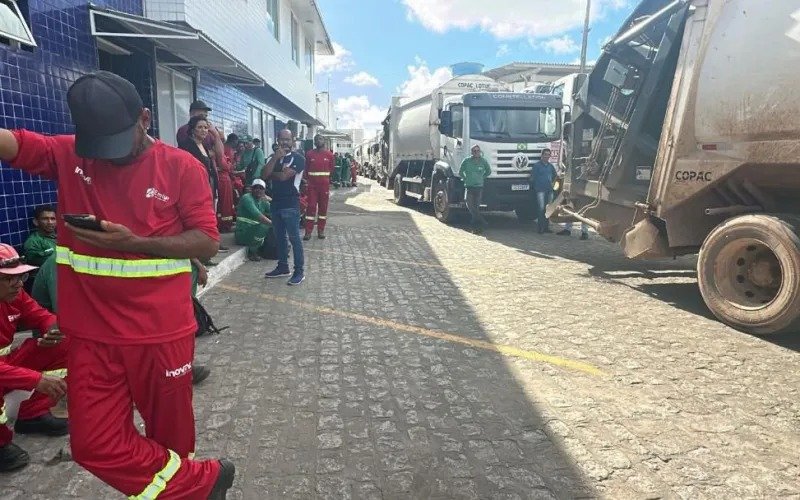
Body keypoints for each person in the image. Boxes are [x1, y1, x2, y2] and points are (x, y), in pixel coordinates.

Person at [0, 71, 234, 498]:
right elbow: (13, 144)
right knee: (93, 445)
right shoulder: (69, 154)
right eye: (98, 145)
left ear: (145, 119)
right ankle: (201, 485)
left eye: (116, 142)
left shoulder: (181, 167)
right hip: (91, 337)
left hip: (160, 335)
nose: (106, 157)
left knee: (172, 442)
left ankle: (182, 492)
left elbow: (208, 239)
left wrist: (136, 243)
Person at [30, 254, 212, 384]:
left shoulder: (99, 257)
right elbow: (64, 313)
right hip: (56, 333)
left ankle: (172, 368)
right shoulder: (60, 262)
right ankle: (153, 374)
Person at [0, 244, 68, 473]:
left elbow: (43, 315)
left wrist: (53, 331)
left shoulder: (16, 296)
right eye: (10, 278)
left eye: (21, 276)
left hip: (7, 366)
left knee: (68, 345)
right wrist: (36, 379)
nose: (19, 283)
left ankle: (32, 415)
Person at [262, 129, 305, 285]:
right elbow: (263, 174)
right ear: (277, 140)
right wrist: (275, 159)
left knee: (294, 239)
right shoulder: (274, 158)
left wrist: (273, 173)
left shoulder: (298, 159)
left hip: (291, 204)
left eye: (288, 139)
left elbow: (283, 176)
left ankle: (299, 271)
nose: (285, 142)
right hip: (276, 203)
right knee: (280, 238)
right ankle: (282, 267)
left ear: (293, 141)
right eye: (282, 139)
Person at [179, 116, 219, 209]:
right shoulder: (185, 146)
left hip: (210, 188)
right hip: (195, 190)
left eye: (205, 128)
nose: (204, 130)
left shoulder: (204, 146)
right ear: (192, 129)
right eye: (200, 127)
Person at [303, 134, 335, 240]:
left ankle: (321, 230)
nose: (317, 141)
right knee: (310, 208)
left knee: (323, 209)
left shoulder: (329, 155)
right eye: (316, 139)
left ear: (324, 141)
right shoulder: (309, 154)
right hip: (312, 187)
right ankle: (308, 231)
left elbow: (332, 169)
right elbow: (306, 169)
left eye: (320, 139)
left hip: (324, 187)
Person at [234, 179, 272, 261]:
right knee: (264, 226)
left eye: (261, 188)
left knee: (277, 224)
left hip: (254, 231)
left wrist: (272, 200)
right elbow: (260, 217)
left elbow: (275, 212)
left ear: (264, 190)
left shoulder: (263, 199)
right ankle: (252, 252)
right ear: (252, 189)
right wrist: (275, 224)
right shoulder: (247, 198)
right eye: (255, 187)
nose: (258, 190)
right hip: (243, 232)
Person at [460, 145, 492, 233]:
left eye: (478, 151)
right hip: (469, 186)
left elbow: (488, 171)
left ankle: (475, 226)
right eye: (474, 151)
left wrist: (482, 177)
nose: (476, 152)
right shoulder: (466, 161)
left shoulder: (483, 161)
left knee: (476, 207)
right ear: (471, 152)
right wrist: (465, 178)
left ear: (480, 152)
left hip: (479, 187)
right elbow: (460, 171)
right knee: (469, 205)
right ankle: (483, 221)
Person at [530, 148, 558, 234]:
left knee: (548, 209)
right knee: (541, 209)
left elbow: (555, 176)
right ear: (542, 155)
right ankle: (540, 228)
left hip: (549, 190)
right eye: (545, 154)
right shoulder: (537, 166)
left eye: (548, 154)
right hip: (540, 190)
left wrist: (553, 185)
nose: (546, 156)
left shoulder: (550, 166)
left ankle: (546, 228)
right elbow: (532, 178)